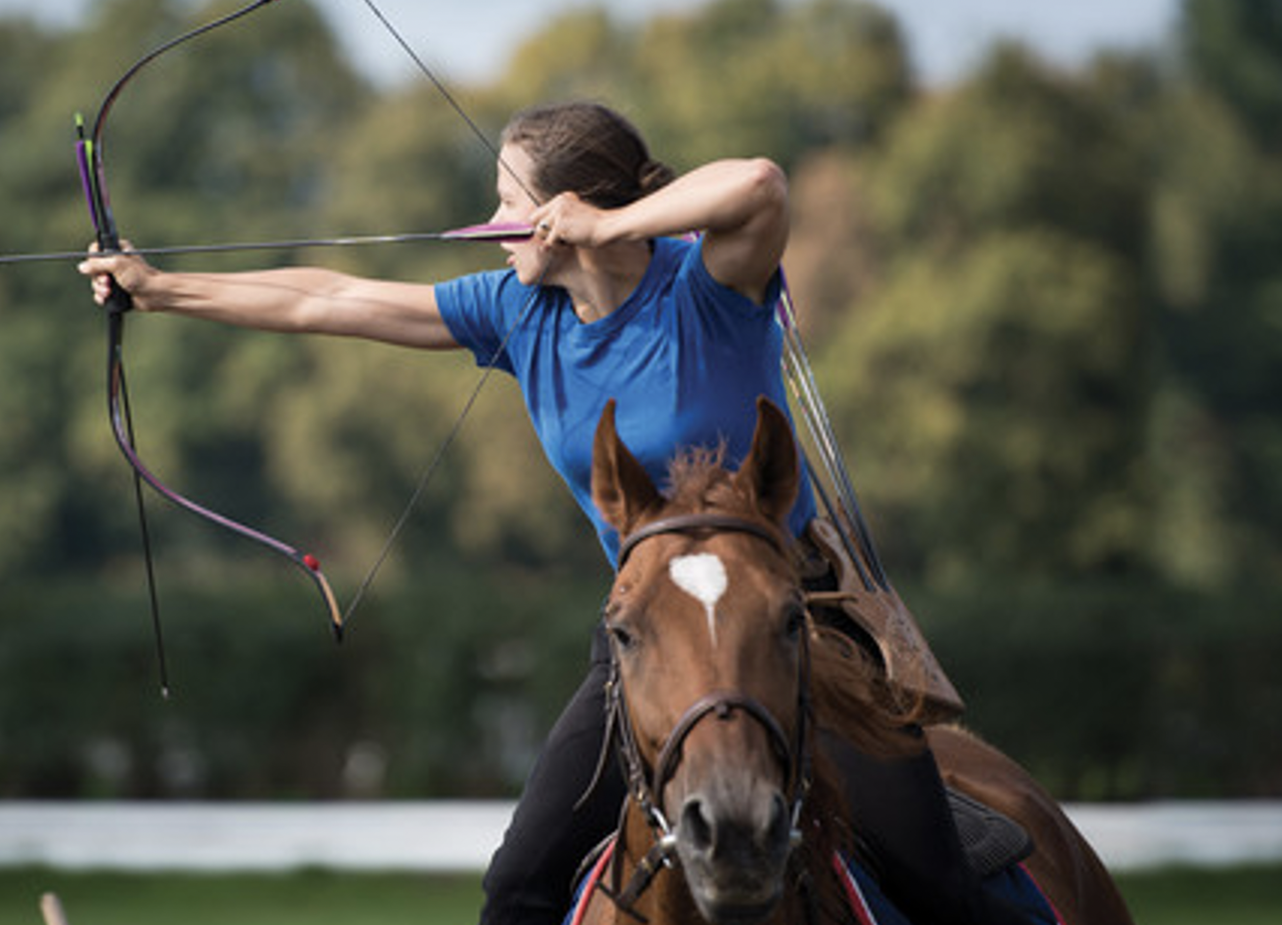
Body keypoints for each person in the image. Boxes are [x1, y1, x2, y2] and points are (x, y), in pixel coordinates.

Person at [80, 101, 1029, 925]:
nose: (495, 225)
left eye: (511, 202)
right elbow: (326, 297)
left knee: (944, 892)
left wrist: (616, 226)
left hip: (795, 624)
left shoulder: (711, 289)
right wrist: (162, 290)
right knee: (518, 890)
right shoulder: (514, 310)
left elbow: (759, 183)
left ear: (573, 210)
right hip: (648, 635)